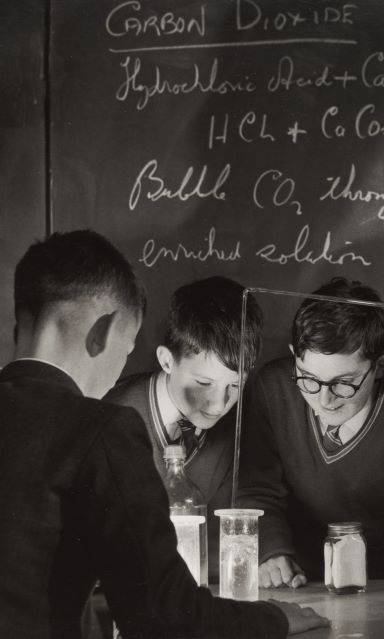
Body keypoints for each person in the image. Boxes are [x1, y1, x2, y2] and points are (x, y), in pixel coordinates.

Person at [0, 229, 327, 639]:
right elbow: (162, 614)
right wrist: (274, 619)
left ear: (20, 324)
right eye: (128, 347)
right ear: (102, 333)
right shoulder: (101, 427)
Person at [237, 277, 384, 587]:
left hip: (377, 588)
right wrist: (271, 551)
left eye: (343, 384)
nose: (324, 400)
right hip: (294, 579)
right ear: (295, 355)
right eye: (308, 379)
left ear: (380, 367)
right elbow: (257, 489)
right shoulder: (272, 388)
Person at [105, 275, 262, 582]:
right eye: (203, 383)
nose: (219, 405)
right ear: (166, 360)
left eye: (235, 384)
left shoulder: (242, 425)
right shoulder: (111, 417)